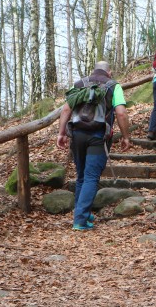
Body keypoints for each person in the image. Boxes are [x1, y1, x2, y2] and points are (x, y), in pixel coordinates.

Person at [57, 61, 131, 231]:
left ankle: (83, 213)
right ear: (109, 72)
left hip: (77, 135)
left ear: (93, 70)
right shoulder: (113, 86)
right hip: (98, 136)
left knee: (81, 176)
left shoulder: (79, 83)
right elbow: (121, 112)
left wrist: (61, 133)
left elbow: (66, 110)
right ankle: (81, 219)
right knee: (91, 177)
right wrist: (126, 136)